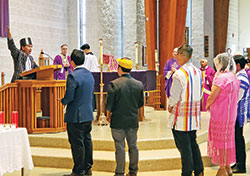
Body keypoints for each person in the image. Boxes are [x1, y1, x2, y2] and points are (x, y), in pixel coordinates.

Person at [168, 44, 204, 176]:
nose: (176, 57)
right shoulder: (198, 71)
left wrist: (170, 105)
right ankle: (199, 170)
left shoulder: (179, 73)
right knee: (192, 142)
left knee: (184, 146)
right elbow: (200, 92)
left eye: (178, 55)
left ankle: (187, 171)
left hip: (181, 115)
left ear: (182, 56)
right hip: (193, 114)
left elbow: (175, 94)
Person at [106, 57, 144, 176]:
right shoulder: (139, 84)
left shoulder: (114, 84)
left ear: (120, 69)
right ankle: (133, 171)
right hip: (132, 121)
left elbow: (109, 105)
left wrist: (108, 116)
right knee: (133, 146)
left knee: (120, 147)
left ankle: (120, 173)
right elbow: (140, 104)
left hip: (117, 121)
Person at [61, 49, 94, 176]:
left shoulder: (73, 76)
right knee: (87, 141)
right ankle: (87, 168)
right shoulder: (89, 74)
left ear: (72, 62)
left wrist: (63, 101)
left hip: (76, 116)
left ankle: (78, 171)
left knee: (77, 144)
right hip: (87, 114)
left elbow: (70, 96)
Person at [206, 53, 240, 176]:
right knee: (228, 140)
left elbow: (213, 95)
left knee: (220, 141)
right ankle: (227, 166)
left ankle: (221, 168)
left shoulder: (221, 78)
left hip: (220, 113)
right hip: (230, 114)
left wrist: (207, 105)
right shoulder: (233, 77)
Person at [231, 55, 250, 174]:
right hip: (236, 112)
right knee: (236, 138)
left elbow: (237, 97)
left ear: (237, 65)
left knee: (238, 138)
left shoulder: (241, 78)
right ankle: (237, 162)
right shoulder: (239, 75)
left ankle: (241, 165)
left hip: (239, 113)